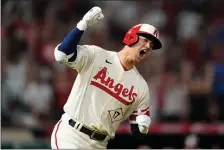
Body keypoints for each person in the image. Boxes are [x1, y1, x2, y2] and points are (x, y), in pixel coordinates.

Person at [51, 6, 162, 149]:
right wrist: (83, 24)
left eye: (151, 46)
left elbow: (138, 130)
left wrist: (141, 125)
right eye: (146, 40)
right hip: (72, 135)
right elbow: (62, 54)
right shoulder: (98, 55)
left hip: (100, 144)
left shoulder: (141, 86)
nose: (148, 46)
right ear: (131, 37)